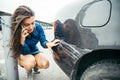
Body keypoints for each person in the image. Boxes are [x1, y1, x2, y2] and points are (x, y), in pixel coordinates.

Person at [10, 5, 60, 77]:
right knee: (30, 61)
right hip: (23, 54)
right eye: (27, 24)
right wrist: (22, 41)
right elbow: (25, 52)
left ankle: (35, 66)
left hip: (34, 51)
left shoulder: (38, 27)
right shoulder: (16, 31)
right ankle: (29, 72)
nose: (31, 27)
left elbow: (43, 40)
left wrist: (47, 44)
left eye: (33, 23)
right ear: (20, 24)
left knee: (45, 64)